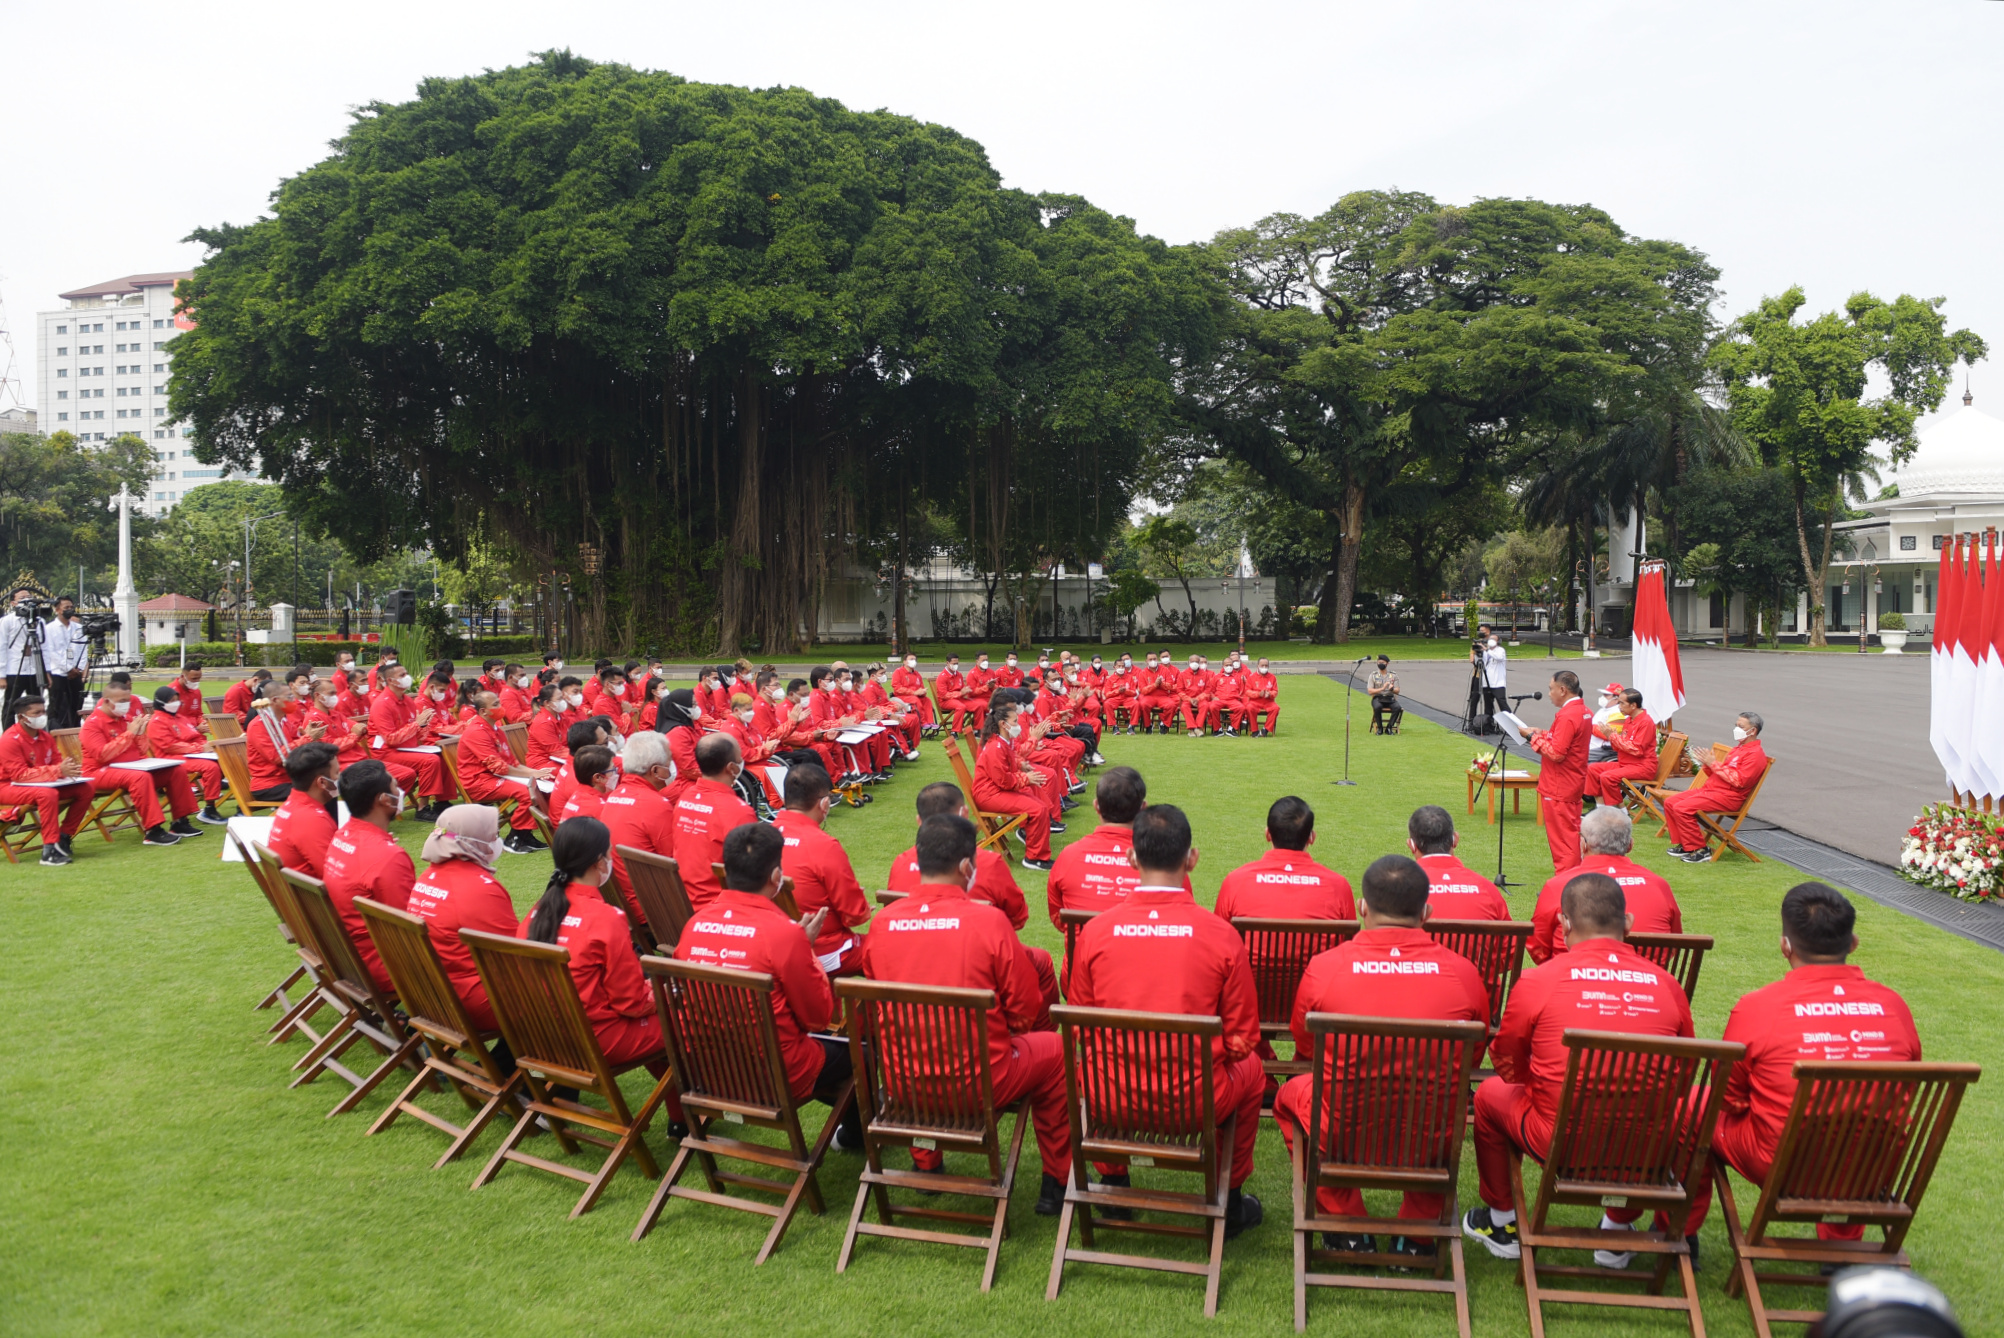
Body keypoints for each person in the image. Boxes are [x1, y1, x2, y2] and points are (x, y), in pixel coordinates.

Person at [1461, 873, 1693, 1261]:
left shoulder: (1539, 981)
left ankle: (1502, 1220)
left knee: (1487, 1096)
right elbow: (1682, 1074)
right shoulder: (1667, 984)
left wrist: (1535, 1085)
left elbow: (1507, 1058)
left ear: (1564, 924)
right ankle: (1616, 1228)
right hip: (1645, 1143)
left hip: (1559, 1139)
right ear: (1629, 923)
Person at [1678, 883, 1921, 1246]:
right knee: (1858, 1118)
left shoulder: (1759, 1007)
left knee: (1689, 1107)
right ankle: (1840, 1242)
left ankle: (1679, 1231)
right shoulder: (1894, 1006)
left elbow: (1726, 1099)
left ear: (1785, 945)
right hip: (1870, 1166)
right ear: (1852, 943)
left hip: (1783, 1164)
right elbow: (1904, 1088)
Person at [1067, 804, 1265, 1237]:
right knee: (1253, 1071)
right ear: (1191, 859)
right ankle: (1228, 1199)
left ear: (1132, 859)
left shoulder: (1096, 932)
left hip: (1109, 1096)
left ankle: (1113, 1181)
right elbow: (1243, 1039)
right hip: (1197, 1098)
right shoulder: (1220, 935)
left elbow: (1079, 1022)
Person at [856, 812, 1070, 1213]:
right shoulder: (988, 921)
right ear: (968, 867)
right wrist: (1012, 1034)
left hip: (906, 1083)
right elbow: (1025, 1005)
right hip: (980, 1080)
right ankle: (1055, 1183)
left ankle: (927, 1165)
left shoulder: (882, 924)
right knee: (1056, 1052)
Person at [1274, 855, 1490, 1251]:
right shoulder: (1463, 973)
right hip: (1429, 1129)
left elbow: (1307, 1049)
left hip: (1343, 1126)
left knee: (1289, 1096)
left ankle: (1345, 1224)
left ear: (1362, 907)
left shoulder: (1325, 968)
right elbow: (1472, 1060)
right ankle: (1418, 1234)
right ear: (1426, 911)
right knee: (1445, 1100)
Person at [675, 821, 859, 1144]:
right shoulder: (783, 934)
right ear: (776, 878)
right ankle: (855, 1135)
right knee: (862, 1056)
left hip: (708, 1069)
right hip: (774, 1072)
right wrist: (808, 952)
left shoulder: (694, 925)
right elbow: (817, 1017)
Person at [519, 816, 669, 1078]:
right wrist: (666, 993)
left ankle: (684, 1112)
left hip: (540, 1035)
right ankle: (689, 1112)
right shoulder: (604, 918)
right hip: (592, 1040)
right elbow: (631, 1004)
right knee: (688, 1018)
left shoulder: (540, 910)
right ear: (600, 862)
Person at [407, 805, 519, 1033]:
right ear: (473, 841)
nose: (497, 840)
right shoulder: (479, 889)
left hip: (432, 992)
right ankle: (504, 1065)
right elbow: (517, 954)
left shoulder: (429, 876)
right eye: (493, 835)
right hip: (470, 1000)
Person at [1529, 807, 1681, 964]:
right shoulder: (1659, 886)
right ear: (1630, 845)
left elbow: (1538, 949)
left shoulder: (1558, 886)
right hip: (1648, 982)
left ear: (1583, 845)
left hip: (1573, 980)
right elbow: (1672, 945)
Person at [321, 760, 417, 994]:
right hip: (384, 964)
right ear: (384, 800)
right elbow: (411, 927)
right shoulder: (388, 857)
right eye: (396, 788)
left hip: (350, 956)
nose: (400, 793)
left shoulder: (343, 835)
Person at [772, 765, 871, 972]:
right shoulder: (823, 845)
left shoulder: (760, 835)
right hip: (823, 948)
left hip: (772, 942)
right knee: (888, 948)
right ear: (825, 803)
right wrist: (859, 909)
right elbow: (855, 914)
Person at [79, 675, 198, 846]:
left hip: (132, 766)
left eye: (128, 700)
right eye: (121, 701)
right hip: (99, 772)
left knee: (175, 770)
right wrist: (130, 734)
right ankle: (153, 830)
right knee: (139, 778)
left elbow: (141, 750)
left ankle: (180, 821)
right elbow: (102, 755)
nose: (126, 704)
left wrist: (141, 733)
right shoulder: (93, 724)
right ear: (106, 701)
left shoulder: (126, 719)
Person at [1214, 796, 1354, 921]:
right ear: (1312, 838)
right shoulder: (1338, 887)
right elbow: (1350, 946)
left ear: (1268, 834)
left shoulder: (1235, 882)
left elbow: (1218, 941)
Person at [0, 694, 94, 866]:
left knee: (85, 789)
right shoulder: (9, 739)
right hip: (7, 786)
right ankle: (49, 850)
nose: (42, 716)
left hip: (40, 782)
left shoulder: (45, 737)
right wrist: (58, 770)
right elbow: (19, 775)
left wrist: (67, 770)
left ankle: (64, 837)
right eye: (37, 713)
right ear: (22, 717)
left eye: (44, 711)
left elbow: (57, 762)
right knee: (47, 794)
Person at [1664, 711, 1770, 863]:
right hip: (1712, 791)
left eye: (1740, 726)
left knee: (1682, 808)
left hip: (1729, 797)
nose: (1736, 729)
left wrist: (1713, 763)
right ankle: (1687, 845)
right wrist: (1707, 764)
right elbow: (1720, 773)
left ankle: (1700, 849)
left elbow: (1739, 781)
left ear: (1753, 731)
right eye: (1736, 725)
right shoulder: (1738, 749)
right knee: (1670, 802)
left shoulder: (1755, 754)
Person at [458, 690, 555, 854]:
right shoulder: (477, 732)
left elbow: (512, 763)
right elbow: (498, 767)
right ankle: (515, 837)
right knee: (527, 791)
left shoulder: (496, 730)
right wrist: (532, 775)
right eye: (495, 704)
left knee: (542, 784)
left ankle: (526, 834)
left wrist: (536, 772)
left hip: (496, 776)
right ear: (483, 711)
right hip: (479, 782)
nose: (501, 707)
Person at [671, 732, 758, 912]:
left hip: (682, 899)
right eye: (740, 758)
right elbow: (751, 875)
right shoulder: (738, 812)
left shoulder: (685, 798)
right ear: (732, 768)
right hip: (719, 906)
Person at [971, 700, 1058, 872]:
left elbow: (1008, 765)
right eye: (1015, 722)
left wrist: (1021, 767)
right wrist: (1026, 778)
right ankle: (1035, 857)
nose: (1018, 725)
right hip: (990, 794)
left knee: (1037, 804)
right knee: (1037, 808)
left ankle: (1035, 850)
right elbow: (1003, 780)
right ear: (1003, 724)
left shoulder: (1002, 741)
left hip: (995, 790)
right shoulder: (996, 746)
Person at [367, 660, 451, 820]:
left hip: (407, 749)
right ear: (391, 680)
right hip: (386, 752)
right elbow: (391, 739)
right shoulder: (381, 704)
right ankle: (423, 808)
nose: (408, 677)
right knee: (430, 761)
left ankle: (441, 801)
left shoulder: (407, 701)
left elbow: (418, 736)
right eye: (403, 675)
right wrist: (417, 725)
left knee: (440, 755)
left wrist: (424, 726)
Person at [1525, 670, 1590, 874]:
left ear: (1563, 690)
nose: (1550, 693)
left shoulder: (1569, 715)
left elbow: (1557, 753)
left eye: (1551, 689)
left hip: (1560, 786)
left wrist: (1531, 738)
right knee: (1569, 836)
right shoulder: (1582, 711)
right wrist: (1542, 733)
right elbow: (1566, 741)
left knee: (1563, 841)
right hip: (1569, 783)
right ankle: (1570, 880)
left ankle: (1567, 883)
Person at [1405, 805, 1511, 920]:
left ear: (1411, 845)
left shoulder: (1396, 894)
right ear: (1455, 839)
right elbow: (1511, 937)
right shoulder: (1487, 890)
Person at [143, 685, 228, 825]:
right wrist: (200, 748)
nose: (175, 704)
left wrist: (209, 746)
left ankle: (210, 803)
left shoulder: (180, 717)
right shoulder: (157, 722)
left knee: (225, 760)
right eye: (171, 701)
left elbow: (195, 735)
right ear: (161, 702)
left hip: (191, 754)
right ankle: (210, 807)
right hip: (170, 759)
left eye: (177, 700)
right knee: (210, 767)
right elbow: (170, 746)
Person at [266, 741, 342, 877]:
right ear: (322, 782)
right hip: (317, 894)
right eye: (336, 773)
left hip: (302, 891)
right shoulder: (312, 819)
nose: (339, 778)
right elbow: (335, 875)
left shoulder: (292, 805)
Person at [1586, 688, 1657, 805]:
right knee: (1592, 769)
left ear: (1633, 705)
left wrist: (1612, 737)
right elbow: (1619, 747)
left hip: (1642, 767)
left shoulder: (1646, 722)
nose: (1619, 706)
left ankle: (1621, 813)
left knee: (1607, 777)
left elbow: (1636, 750)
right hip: (1626, 763)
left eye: (1622, 703)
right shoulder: (1629, 720)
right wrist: (1610, 737)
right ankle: (1600, 810)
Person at [41, 597, 89, 730]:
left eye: (71, 607)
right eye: (66, 607)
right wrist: (68, 668)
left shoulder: (79, 628)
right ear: (57, 610)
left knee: (77, 703)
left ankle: (75, 729)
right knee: (58, 705)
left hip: (76, 673)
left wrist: (78, 668)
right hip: (58, 672)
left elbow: (83, 649)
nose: (70, 610)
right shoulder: (49, 629)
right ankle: (57, 730)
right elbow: (51, 652)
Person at [1473, 624, 1507, 733]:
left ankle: (1511, 726)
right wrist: (1479, 651)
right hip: (1486, 683)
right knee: (1488, 706)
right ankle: (1489, 726)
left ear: (1498, 642)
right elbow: (1479, 662)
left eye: (1494, 639)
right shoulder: (1486, 652)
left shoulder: (1500, 650)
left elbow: (1499, 658)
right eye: (1490, 639)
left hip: (1498, 683)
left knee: (1502, 704)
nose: (1491, 640)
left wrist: (1486, 650)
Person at [1366, 655, 1402, 735]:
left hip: (1390, 698)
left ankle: (1389, 728)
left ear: (1387, 663)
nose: (1380, 664)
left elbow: (1397, 690)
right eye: (1379, 662)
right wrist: (1382, 689)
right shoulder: (1373, 675)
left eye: (1382, 662)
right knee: (1377, 707)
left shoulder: (1393, 675)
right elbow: (1370, 691)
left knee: (1397, 708)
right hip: (1378, 698)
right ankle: (1380, 728)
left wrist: (1392, 689)